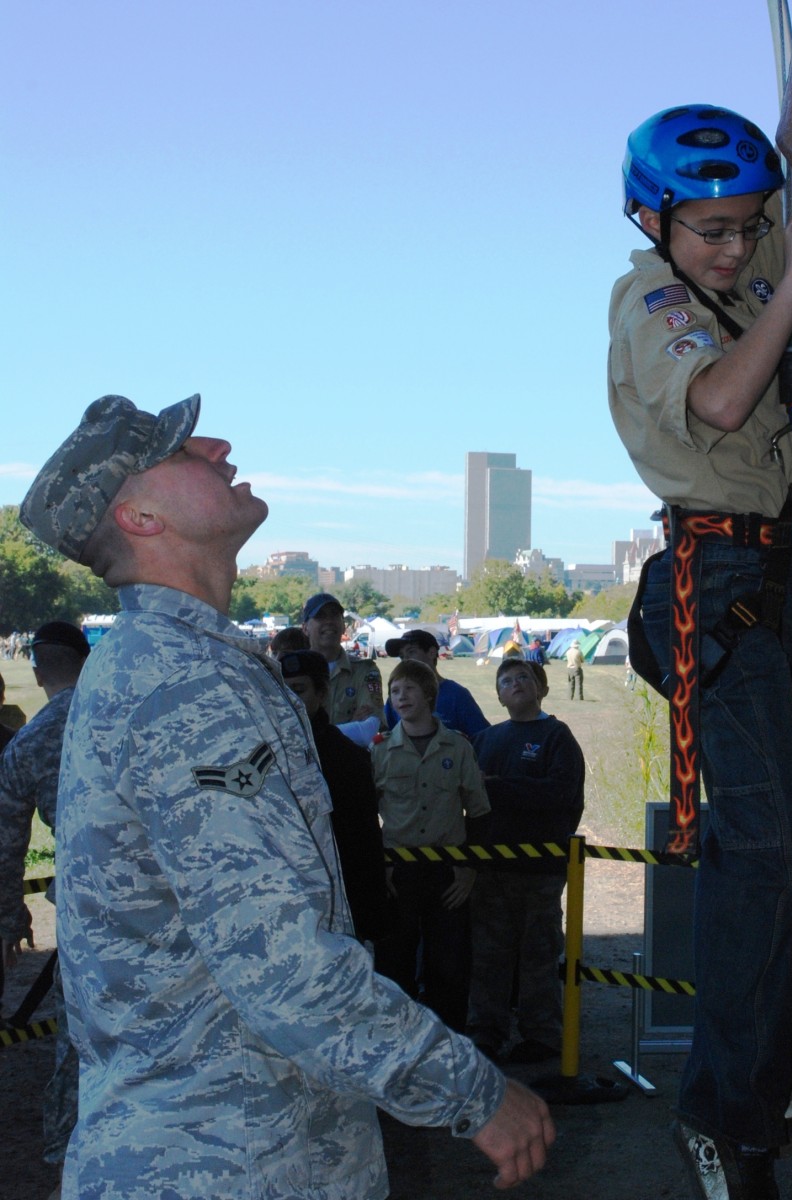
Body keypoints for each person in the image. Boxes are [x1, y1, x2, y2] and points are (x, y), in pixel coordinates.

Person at [19, 394, 554, 1200]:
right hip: (219, 1161)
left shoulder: (173, 660)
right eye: (181, 451)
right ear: (138, 517)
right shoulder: (183, 682)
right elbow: (281, 962)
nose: (217, 445)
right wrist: (473, 1091)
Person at [608, 105, 792, 1199]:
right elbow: (722, 396)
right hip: (715, 583)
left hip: (779, 573)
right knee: (760, 850)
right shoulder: (655, 298)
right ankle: (719, 1109)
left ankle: (787, 1072)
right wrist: (790, 288)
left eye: (750, 226)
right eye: (708, 230)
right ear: (653, 220)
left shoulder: (740, 275)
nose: (734, 248)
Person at [0, 621, 90, 1175]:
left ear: (36, 669)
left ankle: (67, 1162)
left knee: (78, 1043)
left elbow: (7, 844)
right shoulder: (125, 718)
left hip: (83, 910)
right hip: (166, 906)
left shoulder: (30, 741)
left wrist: (9, 919)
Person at [467, 658, 584, 1065]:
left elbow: (559, 795)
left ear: (541, 688)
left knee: (539, 954)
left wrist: (500, 788)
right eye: (506, 681)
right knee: (488, 956)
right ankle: (485, 1033)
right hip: (491, 867)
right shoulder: (485, 740)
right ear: (498, 696)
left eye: (523, 678)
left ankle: (542, 1036)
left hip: (541, 870)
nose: (515, 684)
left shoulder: (557, 737)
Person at [371, 658, 490, 1033]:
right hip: (400, 873)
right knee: (395, 964)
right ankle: (400, 1041)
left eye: (409, 689)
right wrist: (383, 868)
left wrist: (470, 870)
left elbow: (480, 812)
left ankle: (450, 1042)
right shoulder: (381, 753)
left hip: (447, 873)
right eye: (394, 691)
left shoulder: (457, 748)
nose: (400, 696)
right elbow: (367, 817)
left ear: (429, 695)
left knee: (449, 965)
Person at [278, 648, 389, 944]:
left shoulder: (346, 759)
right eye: (281, 689)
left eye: (299, 690)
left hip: (337, 905)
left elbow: (363, 843)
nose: (288, 699)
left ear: (322, 693)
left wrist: (369, 915)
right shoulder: (264, 755)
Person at [383, 629, 490, 739]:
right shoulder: (398, 697)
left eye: (411, 652)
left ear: (432, 653)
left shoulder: (456, 695)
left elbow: (482, 738)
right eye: (401, 656)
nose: (405, 660)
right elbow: (386, 735)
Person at [302, 593, 386, 727]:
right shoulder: (292, 672)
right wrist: (351, 726)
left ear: (344, 626)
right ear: (305, 628)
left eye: (334, 615)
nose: (329, 621)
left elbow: (370, 725)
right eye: (320, 616)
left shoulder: (364, 670)